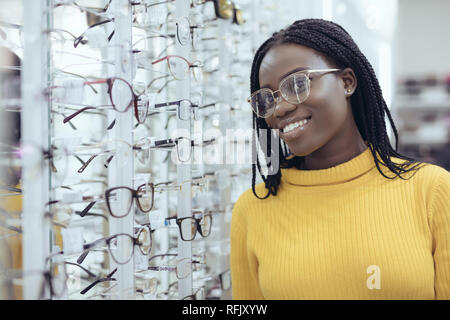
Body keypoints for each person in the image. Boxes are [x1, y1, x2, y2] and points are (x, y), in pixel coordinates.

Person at [230, 19, 450, 300]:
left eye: (298, 84)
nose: (281, 108)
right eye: (268, 98)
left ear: (347, 82)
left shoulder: (432, 190)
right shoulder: (252, 209)